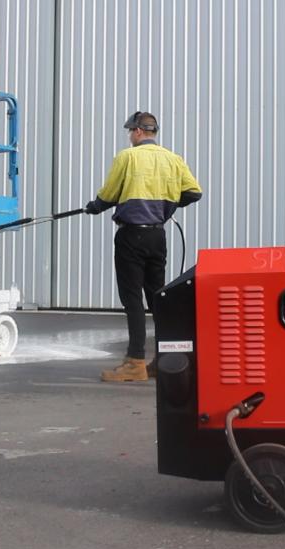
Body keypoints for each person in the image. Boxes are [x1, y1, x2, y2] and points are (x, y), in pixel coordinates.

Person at [85, 111, 202, 382]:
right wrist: (167, 207)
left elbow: (109, 194)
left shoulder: (128, 157)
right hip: (157, 238)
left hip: (131, 237)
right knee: (157, 299)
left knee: (132, 300)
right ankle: (164, 360)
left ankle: (135, 361)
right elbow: (194, 192)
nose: (129, 136)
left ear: (138, 131)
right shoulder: (173, 159)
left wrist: (95, 207)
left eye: (130, 131)